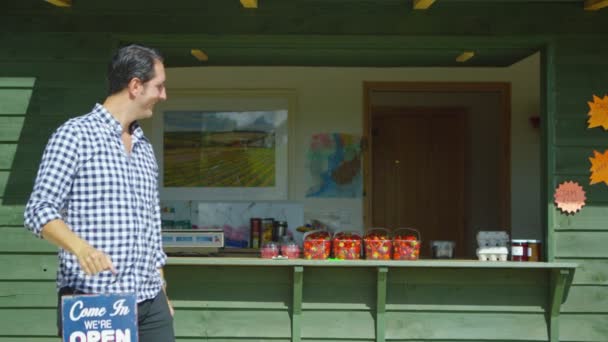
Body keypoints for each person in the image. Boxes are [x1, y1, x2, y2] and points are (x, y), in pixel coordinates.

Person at [24, 44, 175, 341]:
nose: (163, 95)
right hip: (94, 302)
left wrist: (163, 292)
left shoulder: (144, 148)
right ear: (135, 85)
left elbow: (151, 228)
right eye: (159, 86)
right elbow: (38, 210)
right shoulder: (75, 135)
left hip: (150, 302)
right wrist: (81, 248)